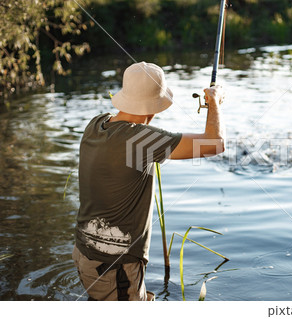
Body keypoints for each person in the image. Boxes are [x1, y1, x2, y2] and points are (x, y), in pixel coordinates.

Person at [72, 61, 225, 301]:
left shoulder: (95, 125)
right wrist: (213, 102)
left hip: (84, 254)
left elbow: (127, 139)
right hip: (115, 268)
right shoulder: (140, 141)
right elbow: (215, 143)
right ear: (155, 109)